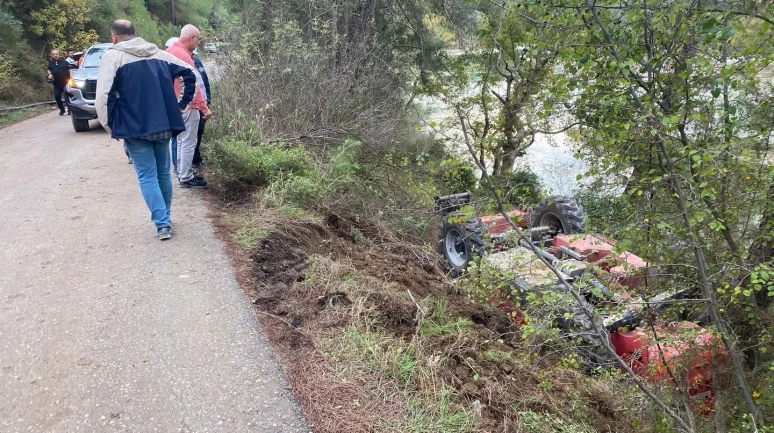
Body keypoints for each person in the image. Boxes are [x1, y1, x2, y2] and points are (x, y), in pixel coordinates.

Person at [95, 19, 198, 240]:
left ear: (114, 37)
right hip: (164, 125)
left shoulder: (113, 57)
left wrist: (109, 125)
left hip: (135, 128)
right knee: (163, 173)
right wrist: (183, 104)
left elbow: (103, 96)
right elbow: (190, 73)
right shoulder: (158, 54)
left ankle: (162, 224)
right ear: (135, 33)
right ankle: (165, 218)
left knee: (147, 175)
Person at [166, 25, 212, 189]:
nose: (197, 43)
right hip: (188, 105)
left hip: (175, 104)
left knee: (180, 140)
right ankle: (186, 177)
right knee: (188, 141)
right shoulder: (183, 55)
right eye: (198, 39)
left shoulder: (170, 51)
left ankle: (182, 172)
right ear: (192, 38)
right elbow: (194, 85)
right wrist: (204, 108)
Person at [192, 51, 211, 169]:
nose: (193, 55)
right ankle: (192, 162)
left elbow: (205, 82)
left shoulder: (198, 62)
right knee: (190, 136)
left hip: (203, 103)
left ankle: (197, 158)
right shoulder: (181, 62)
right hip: (193, 105)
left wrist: (208, 100)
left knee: (199, 132)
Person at [47, 50, 74, 116]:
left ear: (59, 55)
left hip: (66, 83)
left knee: (67, 96)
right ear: (51, 55)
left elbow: (71, 70)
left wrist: (71, 78)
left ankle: (70, 109)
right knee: (57, 96)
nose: (55, 55)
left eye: (57, 54)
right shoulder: (51, 63)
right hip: (56, 84)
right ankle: (62, 109)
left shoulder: (65, 62)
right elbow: (49, 70)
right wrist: (49, 74)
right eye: (54, 54)